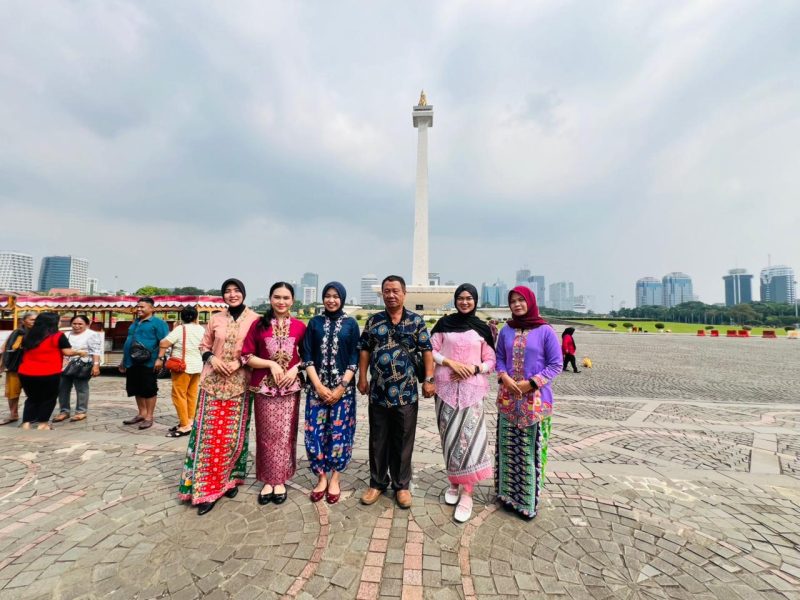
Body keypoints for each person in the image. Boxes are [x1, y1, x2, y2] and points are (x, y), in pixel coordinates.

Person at [178, 278, 259, 516]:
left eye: (236, 291)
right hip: (212, 384)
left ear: (244, 293)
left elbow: (257, 349)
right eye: (228, 291)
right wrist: (212, 359)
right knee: (208, 436)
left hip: (240, 386)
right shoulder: (215, 318)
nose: (232, 295)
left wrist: (238, 362)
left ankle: (230, 480)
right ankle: (206, 488)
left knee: (233, 437)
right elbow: (204, 346)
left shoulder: (255, 320)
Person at [357, 275, 434, 509]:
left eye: (395, 291)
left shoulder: (416, 321)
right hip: (379, 392)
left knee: (403, 440)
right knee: (378, 439)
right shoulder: (374, 321)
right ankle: (377, 482)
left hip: (406, 392)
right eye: (387, 291)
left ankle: (401, 486)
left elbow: (427, 351)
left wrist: (429, 379)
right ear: (382, 294)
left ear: (404, 293)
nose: (391, 295)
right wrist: (362, 378)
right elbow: (365, 350)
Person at [495, 286, 562, 519]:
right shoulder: (506, 330)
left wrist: (531, 383)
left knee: (529, 451)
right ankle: (506, 495)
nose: (516, 305)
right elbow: (500, 358)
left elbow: (556, 364)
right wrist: (504, 376)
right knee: (508, 448)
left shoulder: (545, 331)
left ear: (530, 302)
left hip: (535, 402)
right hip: (507, 400)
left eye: (521, 300)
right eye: (512, 301)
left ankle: (526, 503)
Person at [430, 284, 496, 522]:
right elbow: (431, 349)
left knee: (470, 439)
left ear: (475, 301)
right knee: (449, 439)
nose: (465, 302)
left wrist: (473, 368)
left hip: (472, 391)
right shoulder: (444, 325)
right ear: (455, 300)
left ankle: (467, 492)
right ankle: (454, 482)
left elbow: (491, 360)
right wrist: (449, 363)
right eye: (460, 298)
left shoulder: (482, 329)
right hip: (445, 390)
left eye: (469, 298)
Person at [242, 282, 306, 506]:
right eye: (277, 297)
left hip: (290, 388)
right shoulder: (258, 325)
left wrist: (295, 368)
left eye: (286, 298)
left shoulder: (300, 326)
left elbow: (307, 356)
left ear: (293, 301)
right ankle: (268, 480)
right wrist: (270, 364)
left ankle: (281, 480)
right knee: (266, 435)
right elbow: (246, 356)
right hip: (264, 388)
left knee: (286, 434)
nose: (281, 301)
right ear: (270, 299)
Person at [300, 282, 360, 505]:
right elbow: (307, 355)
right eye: (327, 296)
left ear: (342, 298)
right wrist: (318, 386)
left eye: (336, 296)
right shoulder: (314, 323)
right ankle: (321, 478)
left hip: (343, 393)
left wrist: (341, 388)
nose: (331, 300)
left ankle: (335, 478)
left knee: (339, 434)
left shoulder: (351, 324)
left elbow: (355, 358)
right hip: (317, 390)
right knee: (315, 434)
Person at [17, 312, 87, 430]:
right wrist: (80, 352)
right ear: (53, 322)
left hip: (26, 372)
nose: (59, 323)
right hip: (48, 372)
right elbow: (67, 352)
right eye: (58, 321)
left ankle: (26, 423)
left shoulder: (28, 335)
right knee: (48, 398)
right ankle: (43, 424)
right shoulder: (58, 335)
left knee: (32, 398)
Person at [119, 298, 169, 430]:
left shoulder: (158, 323)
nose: (139, 309)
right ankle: (141, 413)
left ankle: (149, 417)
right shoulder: (135, 322)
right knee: (136, 388)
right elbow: (129, 341)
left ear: (152, 308)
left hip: (149, 362)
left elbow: (164, 342)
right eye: (138, 307)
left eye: (142, 307)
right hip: (131, 361)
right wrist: (123, 360)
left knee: (149, 389)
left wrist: (160, 359)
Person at [158, 306, 205, 437]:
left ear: (182, 317)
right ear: (196, 317)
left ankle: (184, 425)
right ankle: (190, 421)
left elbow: (164, 342)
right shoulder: (201, 329)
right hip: (197, 366)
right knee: (192, 395)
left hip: (182, 366)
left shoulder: (180, 329)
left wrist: (160, 356)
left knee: (179, 395)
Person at [53, 315, 102, 422]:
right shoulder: (66, 334)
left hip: (83, 365)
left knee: (82, 388)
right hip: (65, 365)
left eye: (80, 324)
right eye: (74, 323)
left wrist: (96, 365)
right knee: (63, 389)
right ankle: (64, 411)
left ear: (87, 324)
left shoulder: (92, 334)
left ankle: (81, 411)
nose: (77, 326)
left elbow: (96, 351)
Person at [0, 312, 36, 425]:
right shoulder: (15, 333)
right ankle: (13, 414)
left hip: (32, 368)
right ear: (23, 321)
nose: (34, 322)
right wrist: (1, 366)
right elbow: (5, 349)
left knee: (33, 393)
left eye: (36, 320)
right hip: (14, 367)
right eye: (31, 320)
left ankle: (32, 416)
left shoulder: (40, 333)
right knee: (12, 393)